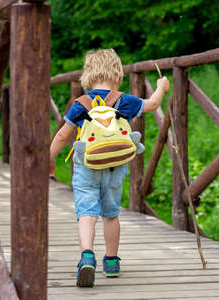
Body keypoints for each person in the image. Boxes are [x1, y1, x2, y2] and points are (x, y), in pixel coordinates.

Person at [49, 49, 170, 287]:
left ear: (88, 76)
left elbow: (64, 135)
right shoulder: (124, 100)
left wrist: (49, 159)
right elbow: (153, 104)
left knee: (86, 213)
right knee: (111, 214)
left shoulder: (81, 103)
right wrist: (161, 87)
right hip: (115, 165)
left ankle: (87, 256)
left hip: (86, 166)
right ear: (117, 74)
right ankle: (112, 261)